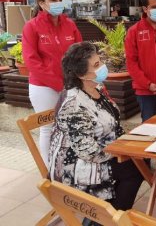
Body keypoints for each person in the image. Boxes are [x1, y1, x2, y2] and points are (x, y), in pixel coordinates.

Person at [49, 42, 143, 222]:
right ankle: (108, 219)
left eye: (100, 61)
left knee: (141, 160)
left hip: (102, 150)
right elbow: (87, 152)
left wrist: (129, 144)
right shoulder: (73, 104)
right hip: (77, 164)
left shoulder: (96, 88)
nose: (103, 67)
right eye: (96, 65)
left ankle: (111, 211)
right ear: (80, 74)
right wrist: (121, 152)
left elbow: (113, 123)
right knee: (134, 170)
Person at [22, 0, 82, 165]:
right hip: (43, 87)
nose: (58, 3)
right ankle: (50, 169)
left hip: (71, 85)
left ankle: (69, 165)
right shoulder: (32, 27)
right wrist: (59, 83)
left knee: (72, 125)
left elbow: (81, 53)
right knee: (48, 129)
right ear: (41, 3)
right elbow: (32, 61)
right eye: (53, 0)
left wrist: (77, 79)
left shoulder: (70, 25)